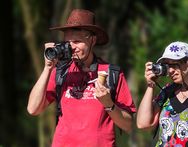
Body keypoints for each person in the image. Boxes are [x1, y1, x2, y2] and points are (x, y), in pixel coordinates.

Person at [27, 9, 136, 147]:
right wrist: (47, 68)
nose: (72, 47)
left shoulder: (111, 73)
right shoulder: (60, 72)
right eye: (68, 42)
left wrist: (109, 104)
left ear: (92, 40)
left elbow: (129, 126)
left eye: (77, 41)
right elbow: (33, 109)